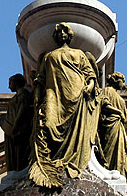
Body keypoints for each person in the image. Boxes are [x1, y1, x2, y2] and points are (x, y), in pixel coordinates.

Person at [27, 23, 100, 188]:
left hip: (77, 92)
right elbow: (41, 78)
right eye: (58, 33)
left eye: (64, 32)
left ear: (70, 35)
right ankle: (53, 159)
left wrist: (89, 84)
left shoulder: (79, 54)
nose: (61, 35)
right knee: (49, 124)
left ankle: (70, 159)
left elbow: (89, 73)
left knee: (75, 128)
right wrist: (38, 94)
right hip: (53, 93)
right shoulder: (49, 55)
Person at [98, 72, 127, 179]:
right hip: (111, 124)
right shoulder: (107, 90)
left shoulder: (118, 96)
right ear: (116, 80)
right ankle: (108, 169)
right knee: (109, 149)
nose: (123, 84)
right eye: (122, 81)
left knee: (120, 152)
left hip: (120, 127)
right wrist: (119, 112)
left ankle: (118, 170)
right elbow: (104, 104)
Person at [0, 74, 33, 171]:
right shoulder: (19, 96)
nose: (9, 86)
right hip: (12, 130)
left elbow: (22, 111)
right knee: (13, 155)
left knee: (17, 154)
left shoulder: (23, 95)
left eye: (10, 83)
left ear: (17, 83)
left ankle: (18, 170)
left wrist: (15, 126)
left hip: (17, 131)